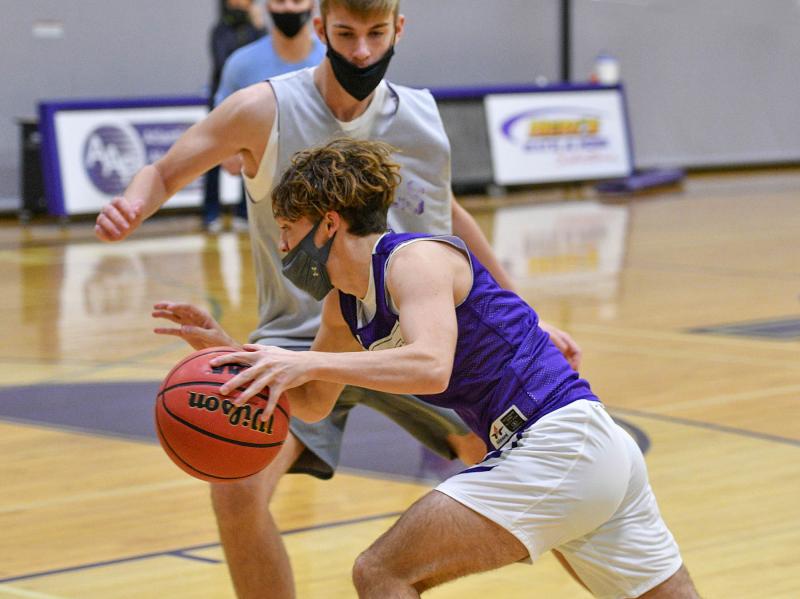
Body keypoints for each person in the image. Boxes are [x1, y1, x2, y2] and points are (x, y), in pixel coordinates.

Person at [95, 1, 581, 596]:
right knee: (237, 487)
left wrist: (525, 315)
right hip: (302, 338)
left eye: (376, 34)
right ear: (322, 27)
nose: (362, 51)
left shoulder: (421, 117)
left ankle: (608, 546)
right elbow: (166, 172)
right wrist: (132, 204)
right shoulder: (263, 109)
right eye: (346, 34)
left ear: (398, 30)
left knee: (523, 460)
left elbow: (448, 217)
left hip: (409, 331)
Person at [204, 137, 700, 598]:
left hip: (559, 441)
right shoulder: (343, 308)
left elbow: (431, 365)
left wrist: (306, 359)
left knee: (380, 572)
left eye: (288, 229)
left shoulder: (413, 261)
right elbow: (313, 405)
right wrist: (225, 356)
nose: (283, 247)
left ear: (328, 224)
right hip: (581, 451)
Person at [211, 0, 327, 233]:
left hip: (327, 196)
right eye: (280, 1)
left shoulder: (333, 61)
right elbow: (219, 129)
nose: (289, 9)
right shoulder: (240, 64)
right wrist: (228, 152)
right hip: (266, 205)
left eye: (297, 1)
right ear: (268, 6)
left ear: (312, 6)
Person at [203, 0, 266, 233]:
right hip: (222, 103)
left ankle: (243, 212)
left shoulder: (255, 29)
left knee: (250, 155)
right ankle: (211, 213)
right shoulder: (220, 30)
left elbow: (264, 59)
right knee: (211, 158)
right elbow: (224, 63)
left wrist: (260, 27)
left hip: (251, 104)